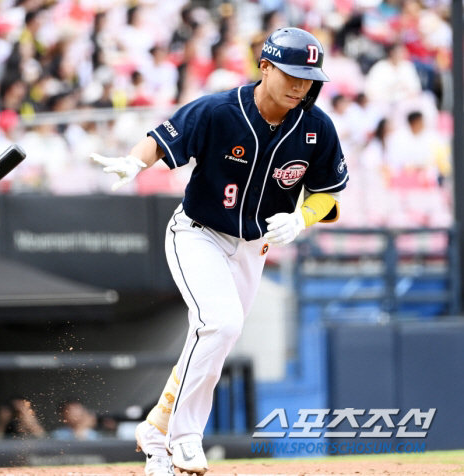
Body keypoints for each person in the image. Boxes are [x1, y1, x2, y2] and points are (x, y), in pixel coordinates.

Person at [91, 28, 348, 476]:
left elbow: (327, 192)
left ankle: (156, 432)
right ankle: (186, 437)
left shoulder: (316, 127)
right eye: (291, 73)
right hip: (198, 233)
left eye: (308, 78)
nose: (299, 85)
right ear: (265, 66)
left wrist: (301, 219)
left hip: (254, 248)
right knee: (221, 323)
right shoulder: (219, 109)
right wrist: (134, 160)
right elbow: (161, 138)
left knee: (213, 338)